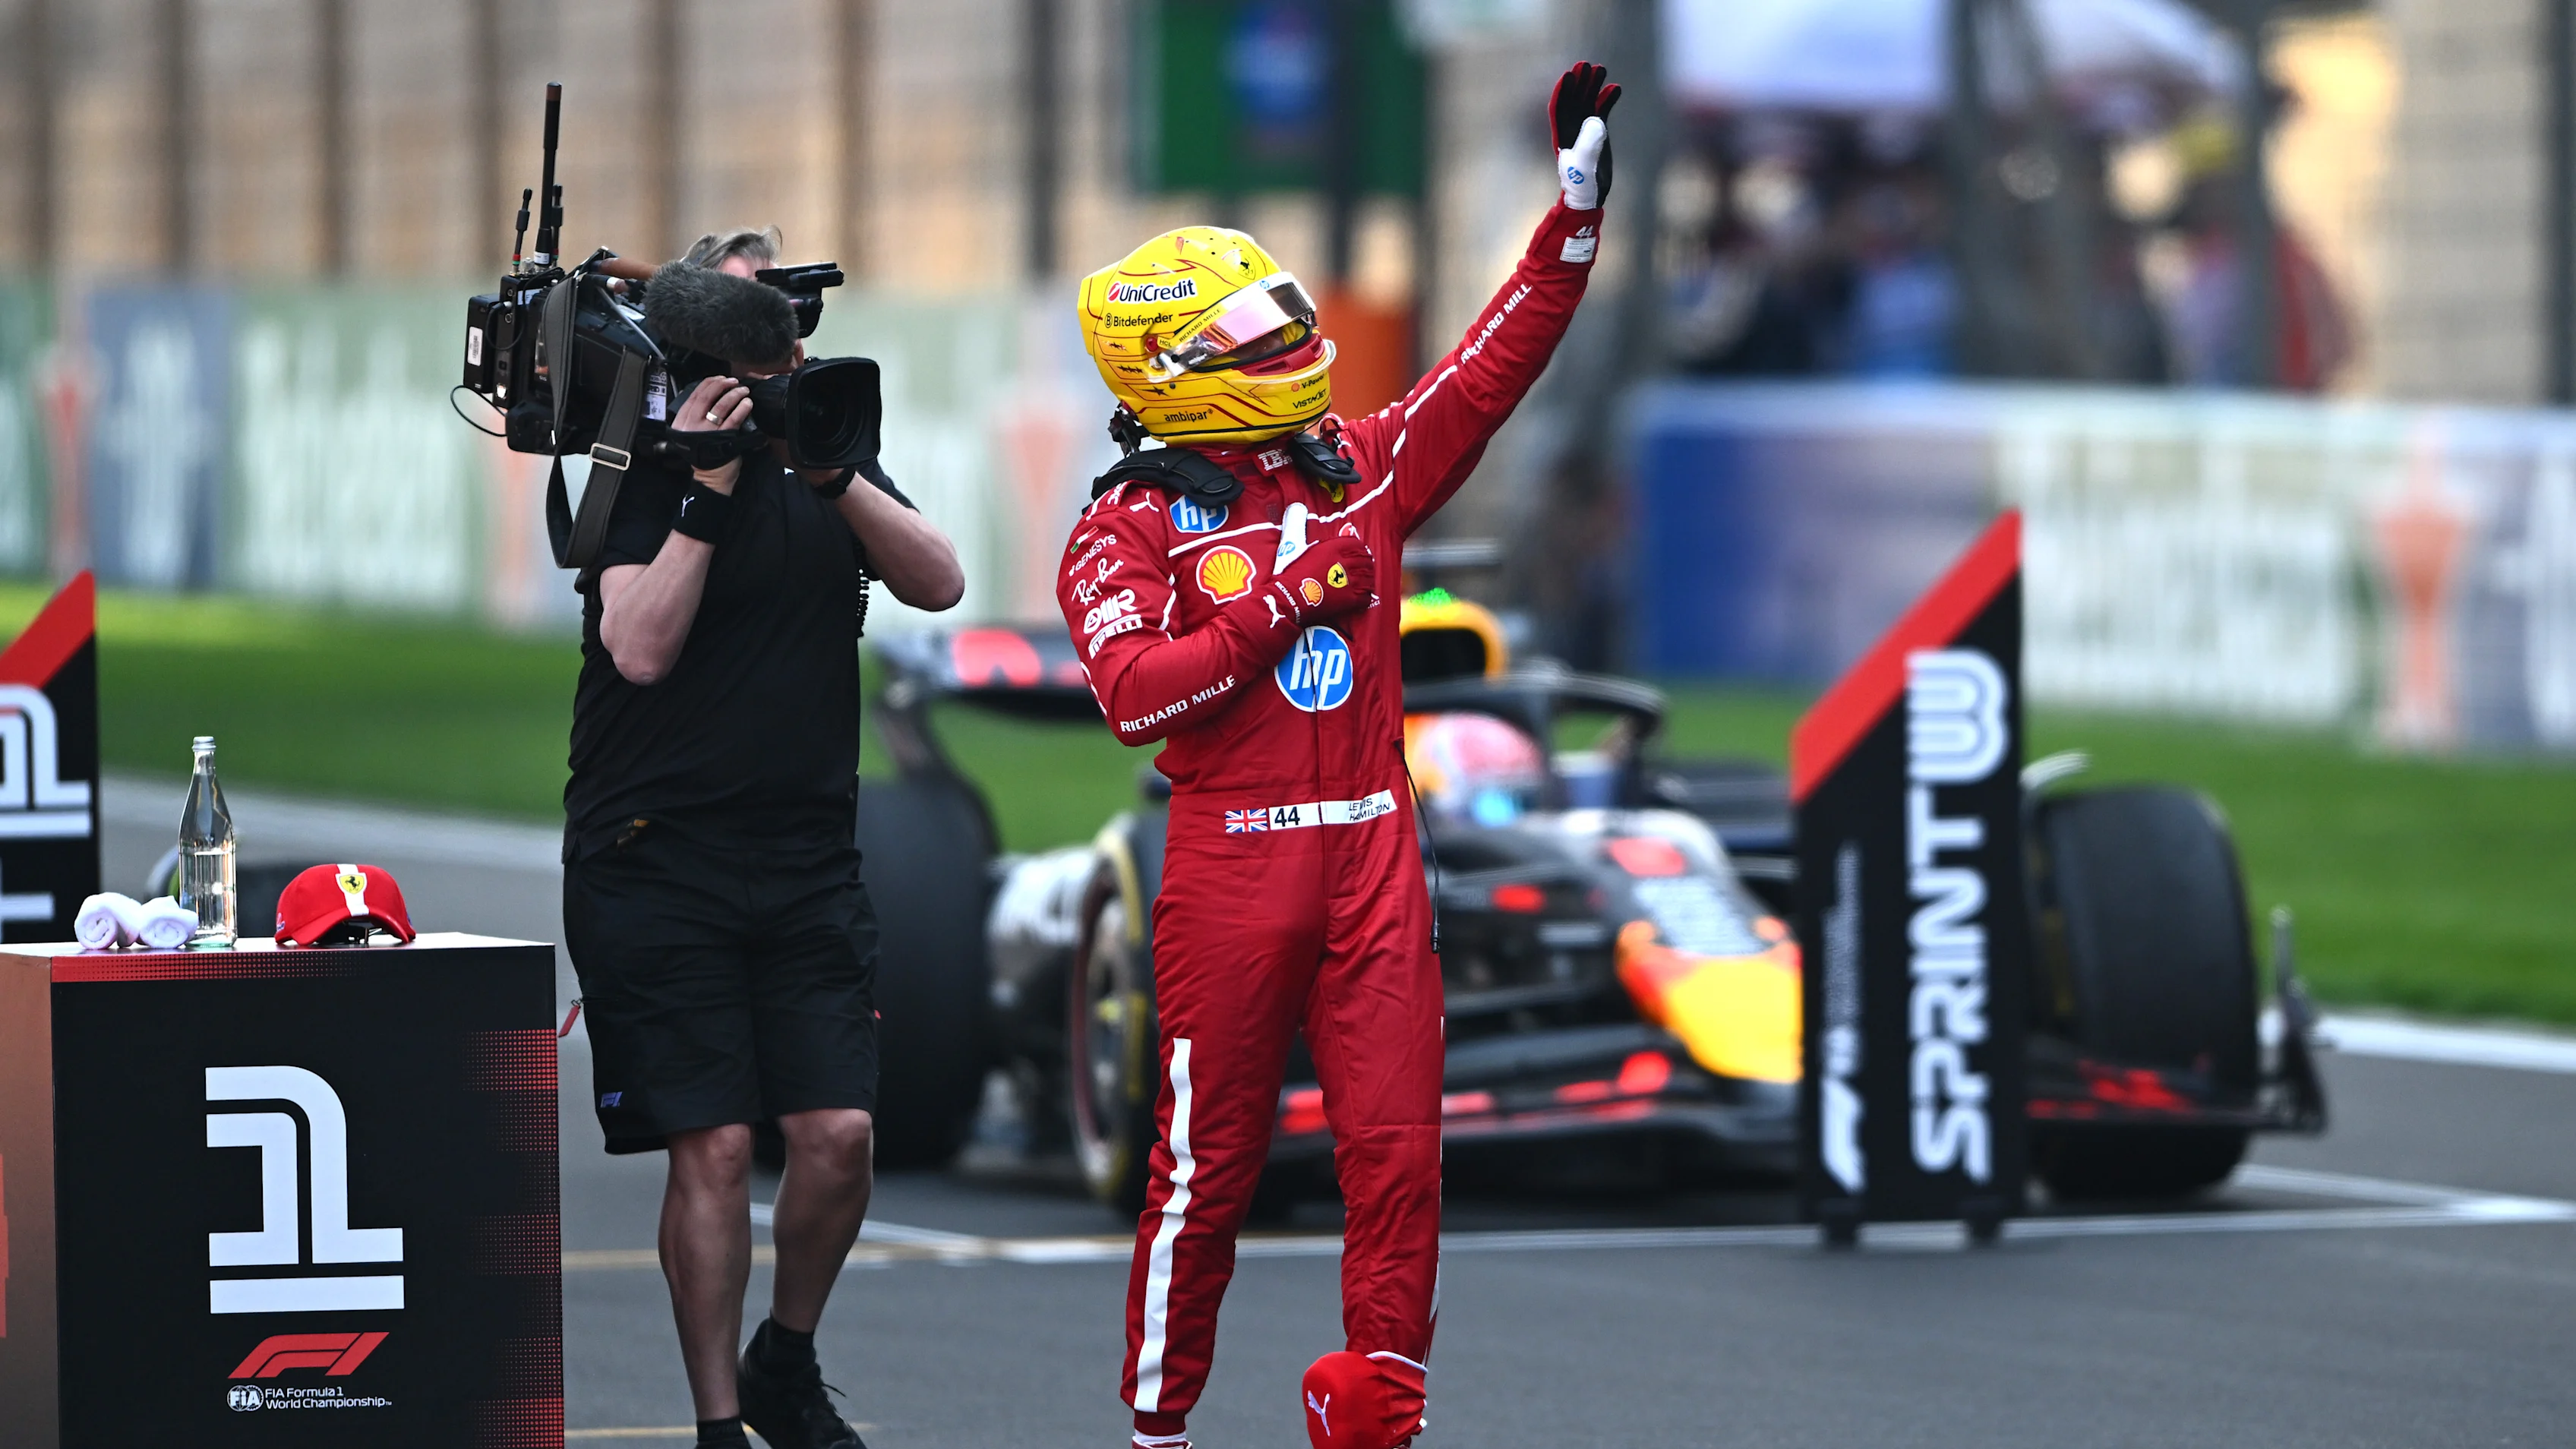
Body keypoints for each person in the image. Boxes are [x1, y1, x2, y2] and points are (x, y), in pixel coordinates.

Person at [1055, 62, 1621, 1449]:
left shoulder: (1360, 468)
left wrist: (1572, 221)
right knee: (1204, 1176)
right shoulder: (1119, 531)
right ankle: (1157, 1432)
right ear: (1169, 371)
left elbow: (1486, 371)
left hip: (1375, 848)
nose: (1291, 346)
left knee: (1401, 1163)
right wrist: (1286, 603)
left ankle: (1379, 1417)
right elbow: (1136, 701)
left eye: (1283, 320)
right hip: (1229, 867)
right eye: (1252, 336)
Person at [561, 225, 964, 1449]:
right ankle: (719, 1422)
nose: (772, 347)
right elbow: (638, 647)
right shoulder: (639, 457)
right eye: (745, 318)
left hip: (805, 858)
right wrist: (708, 485)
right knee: (720, 1146)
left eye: (782, 320)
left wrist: (831, 474)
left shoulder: (827, 437)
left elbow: (939, 581)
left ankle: (785, 1360)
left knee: (838, 1138)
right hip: (653, 854)